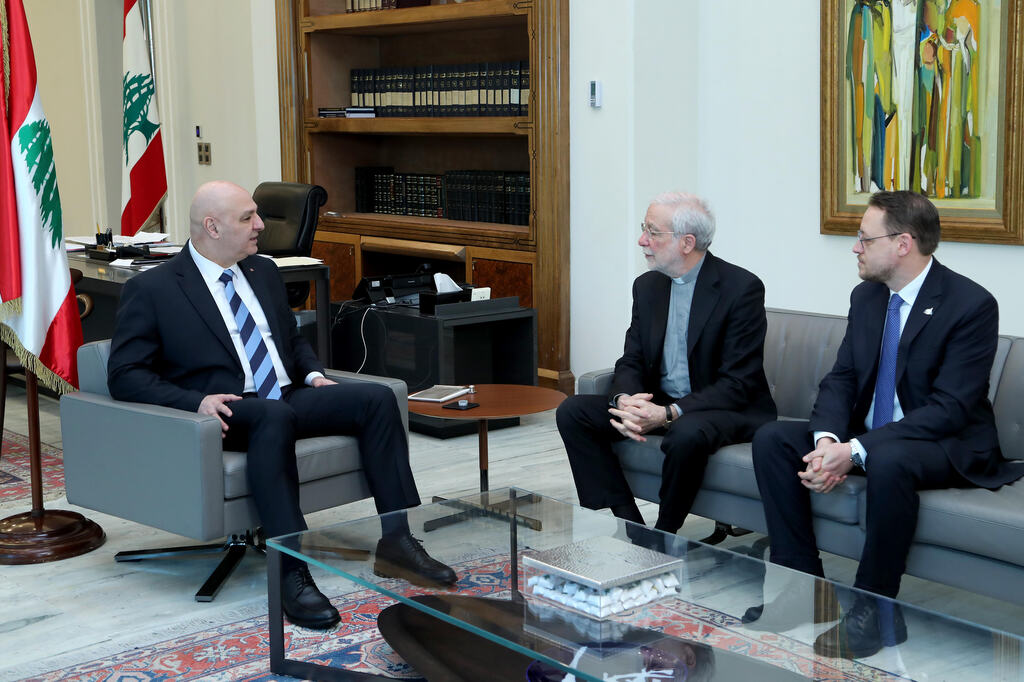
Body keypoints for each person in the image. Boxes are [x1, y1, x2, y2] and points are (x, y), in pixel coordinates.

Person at [107, 181, 456, 630]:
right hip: (226, 410)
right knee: (272, 415)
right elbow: (125, 374)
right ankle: (289, 570)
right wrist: (196, 400)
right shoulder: (154, 288)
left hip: (287, 394)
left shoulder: (263, 270)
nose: (260, 225)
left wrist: (312, 373)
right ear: (211, 227)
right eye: (246, 218)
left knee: (378, 398)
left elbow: (289, 340)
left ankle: (397, 540)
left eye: (257, 214)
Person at [750, 190, 1024, 658]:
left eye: (863, 238)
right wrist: (828, 440)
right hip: (871, 434)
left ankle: (873, 609)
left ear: (903, 243)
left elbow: (950, 409)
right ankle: (803, 588)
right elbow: (843, 377)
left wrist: (854, 451)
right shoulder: (868, 296)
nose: (855, 248)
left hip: (945, 442)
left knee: (889, 458)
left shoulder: (970, 304)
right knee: (773, 438)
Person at [556, 192, 776, 537]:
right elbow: (632, 359)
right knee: (573, 411)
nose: (642, 240)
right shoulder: (648, 286)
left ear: (687, 242)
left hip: (726, 407)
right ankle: (630, 524)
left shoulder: (740, 289)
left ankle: (666, 534)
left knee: (686, 433)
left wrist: (669, 413)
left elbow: (737, 383)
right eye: (644, 228)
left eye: (653, 232)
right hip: (661, 403)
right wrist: (625, 401)